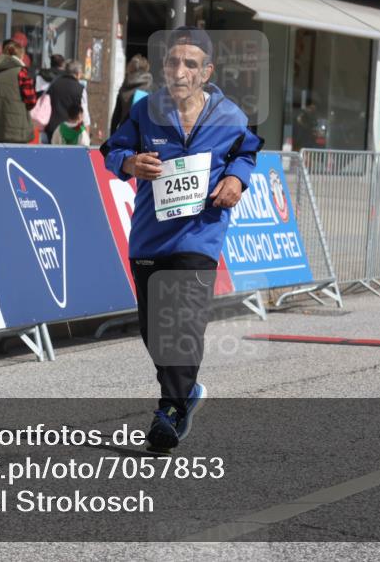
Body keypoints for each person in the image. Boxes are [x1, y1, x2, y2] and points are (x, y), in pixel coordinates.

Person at [100, 27, 263, 452]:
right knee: (155, 332)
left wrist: (236, 179)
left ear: (206, 72)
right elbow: (111, 151)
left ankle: (168, 412)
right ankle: (186, 393)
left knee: (183, 324)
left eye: (191, 64)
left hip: (200, 236)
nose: (180, 70)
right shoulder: (145, 111)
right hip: (150, 238)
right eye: (173, 62)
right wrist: (131, 163)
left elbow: (247, 153)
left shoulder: (229, 116)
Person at [109, 54, 153, 136]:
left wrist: (112, 137)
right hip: (144, 134)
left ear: (130, 68)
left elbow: (116, 117)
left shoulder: (124, 88)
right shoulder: (151, 87)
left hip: (125, 133)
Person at [44, 60, 85, 144]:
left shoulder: (54, 84)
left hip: (53, 127)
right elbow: (84, 112)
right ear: (77, 73)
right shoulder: (80, 88)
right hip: (73, 129)